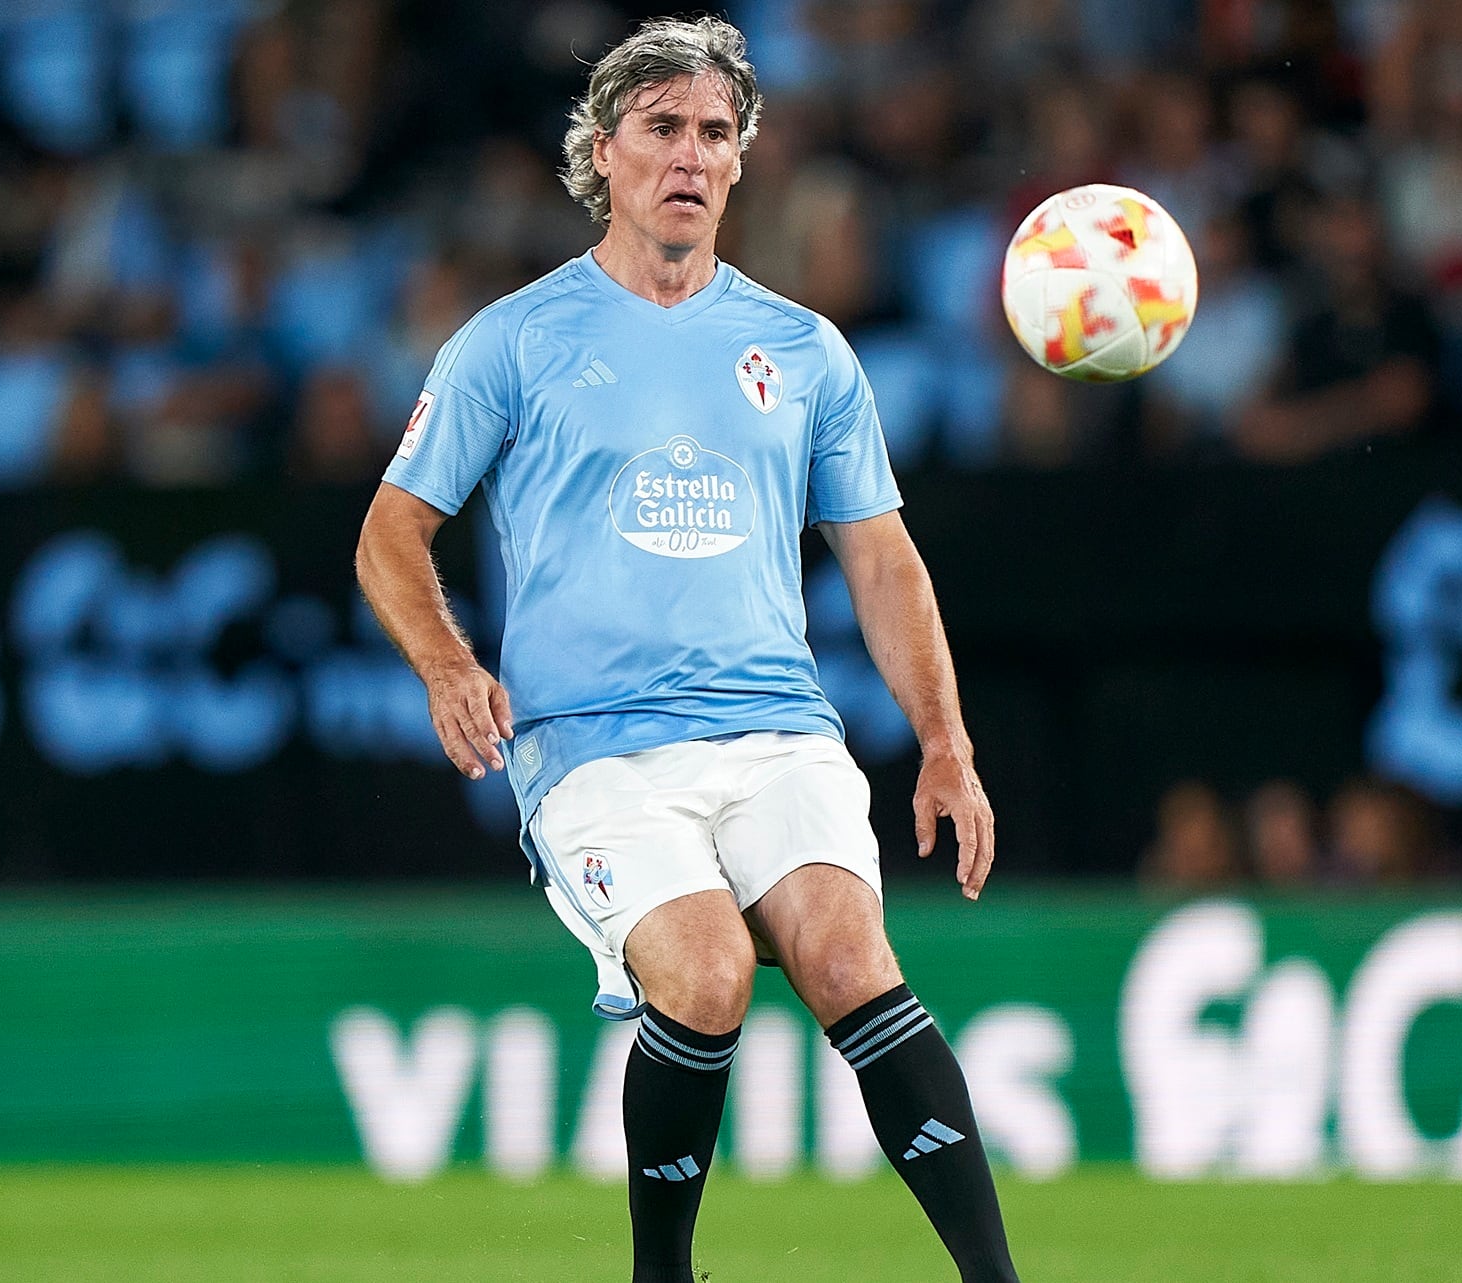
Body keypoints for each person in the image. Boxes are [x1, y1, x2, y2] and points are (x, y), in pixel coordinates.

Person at [352, 19, 1018, 1283]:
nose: (691, 155)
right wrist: (447, 663)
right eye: (663, 128)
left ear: (741, 161)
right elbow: (391, 531)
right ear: (603, 153)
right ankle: (666, 1271)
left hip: (777, 727)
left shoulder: (807, 350)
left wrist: (945, 737)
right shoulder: (516, 340)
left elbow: (882, 558)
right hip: (595, 747)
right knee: (708, 974)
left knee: (844, 952)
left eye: (717, 133)